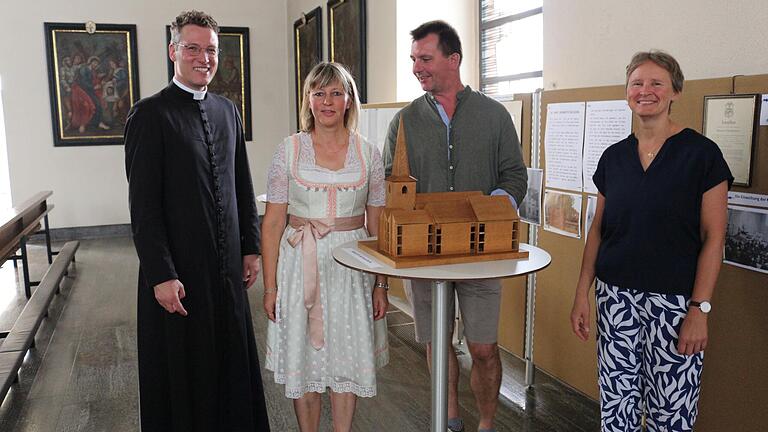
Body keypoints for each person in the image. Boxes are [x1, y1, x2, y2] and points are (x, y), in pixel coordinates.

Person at [570, 51, 732, 432]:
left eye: (656, 83)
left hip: (675, 307)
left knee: (671, 415)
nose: (645, 91)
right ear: (627, 92)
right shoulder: (614, 158)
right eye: (637, 83)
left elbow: (714, 238)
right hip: (615, 301)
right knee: (616, 409)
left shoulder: (701, 155)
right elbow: (598, 229)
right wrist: (582, 292)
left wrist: (700, 309)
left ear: (675, 91)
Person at [124, 10, 270, 432]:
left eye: (211, 50)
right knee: (183, 375)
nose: (203, 57)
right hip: (179, 274)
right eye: (193, 48)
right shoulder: (149, 115)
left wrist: (250, 247)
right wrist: (161, 274)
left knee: (231, 365)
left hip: (225, 275)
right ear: (173, 51)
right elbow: (144, 208)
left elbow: (243, 183)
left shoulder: (227, 110)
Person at [383, 20, 528, 432]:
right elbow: (391, 181)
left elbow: (515, 176)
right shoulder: (404, 122)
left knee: (483, 348)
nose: (416, 67)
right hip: (424, 257)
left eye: (425, 59)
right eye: (413, 59)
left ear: (454, 59)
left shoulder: (494, 116)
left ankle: (485, 423)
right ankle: (448, 419)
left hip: (482, 254)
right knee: (437, 344)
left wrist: (490, 210)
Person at [262, 62, 389, 432]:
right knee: (304, 358)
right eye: (319, 93)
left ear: (349, 100)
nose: (328, 101)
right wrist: (270, 287)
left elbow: (377, 224)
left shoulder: (369, 154)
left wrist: (382, 284)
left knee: (345, 359)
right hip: (300, 264)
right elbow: (272, 222)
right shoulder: (288, 151)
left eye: (336, 93)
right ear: (308, 99)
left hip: (353, 269)